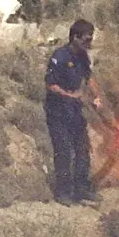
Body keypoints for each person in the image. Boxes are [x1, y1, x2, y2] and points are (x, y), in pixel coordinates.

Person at [44, 19, 103, 205]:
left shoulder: (83, 57)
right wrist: (70, 96)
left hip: (75, 112)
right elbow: (50, 84)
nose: (89, 43)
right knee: (63, 151)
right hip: (57, 112)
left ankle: (82, 190)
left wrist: (96, 96)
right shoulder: (60, 56)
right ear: (75, 37)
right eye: (86, 39)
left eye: (91, 39)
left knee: (82, 150)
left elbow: (89, 77)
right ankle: (63, 193)